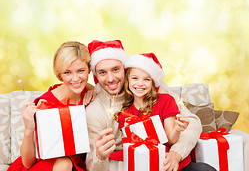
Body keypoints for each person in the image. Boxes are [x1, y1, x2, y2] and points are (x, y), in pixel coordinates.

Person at [85, 40, 216, 171]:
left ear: (125, 70)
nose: (110, 78)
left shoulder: (152, 90)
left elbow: (193, 123)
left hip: (167, 161)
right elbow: (91, 164)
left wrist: (176, 154)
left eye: (115, 69)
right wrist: (99, 157)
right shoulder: (94, 110)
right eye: (102, 72)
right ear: (96, 75)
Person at [8, 41, 96, 171]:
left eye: (81, 70)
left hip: (74, 164)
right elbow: (28, 163)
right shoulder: (46, 105)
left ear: (89, 69)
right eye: (67, 72)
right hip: (43, 166)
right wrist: (28, 129)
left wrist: (95, 91)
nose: (76, 78)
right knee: (64, 162)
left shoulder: (88, 91)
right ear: (59, 74)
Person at [117, 53, 213, 170]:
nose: (140, 83)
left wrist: (177, 129)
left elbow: (170, 140)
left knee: (205, 169)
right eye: (135, 78)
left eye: (146, 79)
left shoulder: (165, 101)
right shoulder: (125, 114)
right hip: (146, 165)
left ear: (153, 83)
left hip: (171, 162)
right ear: (127, 80)